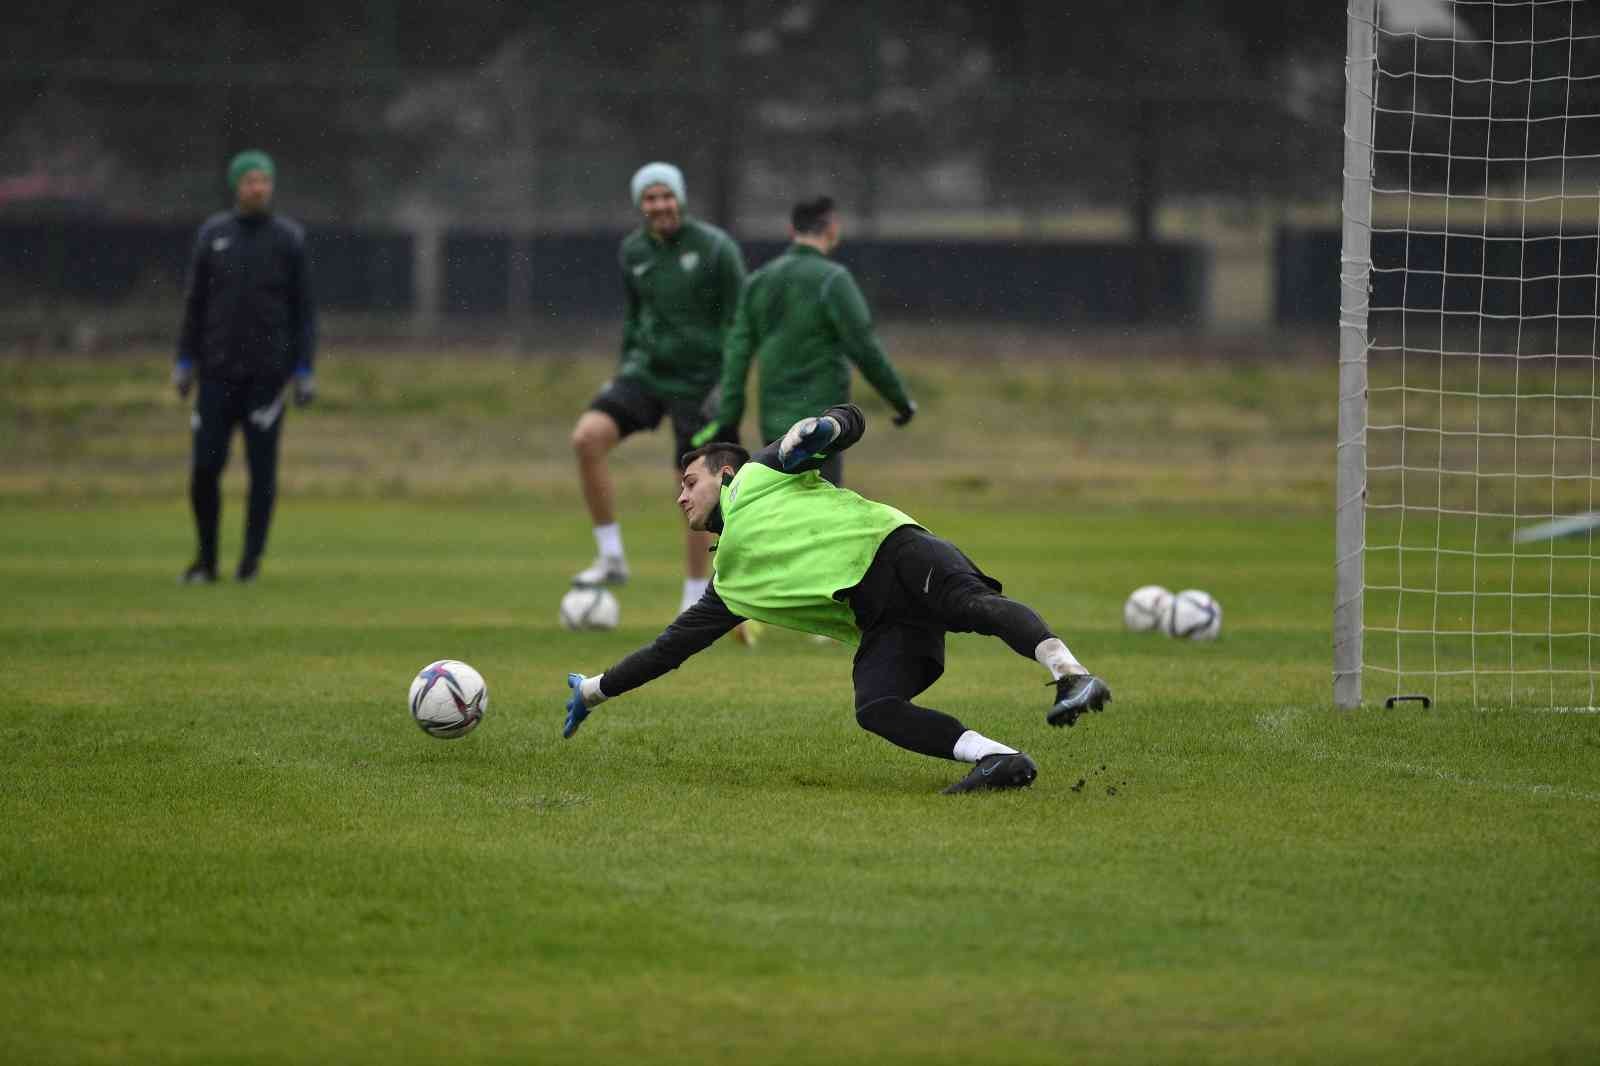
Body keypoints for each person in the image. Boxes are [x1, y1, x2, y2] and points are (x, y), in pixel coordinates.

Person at [561, 404, 1112, 794]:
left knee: (972, 606)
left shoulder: (756, 476)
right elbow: (667, 651)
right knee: (876, 707)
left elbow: (847, 421)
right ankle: (997, 758)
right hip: (881, 617)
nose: (680, 497)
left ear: (723, 473)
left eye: (688, 482)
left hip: (896, 551)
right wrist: (594, 690)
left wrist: (826, 426)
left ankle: (1071, 673)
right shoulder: (727, 586)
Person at [569, 161, 749, 621]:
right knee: (587, 437)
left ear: (681, 199)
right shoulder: (633, 251)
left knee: (696, 488)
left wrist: (729, 387)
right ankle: (611, 555)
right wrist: (625, 366)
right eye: (650, 198)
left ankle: (695, 597)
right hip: (647, 374)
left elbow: (743, 323)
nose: (660, 205)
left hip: (702, 385)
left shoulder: (716, 249)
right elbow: (635, 316)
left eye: (666, 196)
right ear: (640, 205)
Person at [698, 195, 915, 487]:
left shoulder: (759, 281)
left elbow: (738, 356)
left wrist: (728, 419)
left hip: (773, 426)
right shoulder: (833, 280)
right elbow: (865, 349)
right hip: (821, 425)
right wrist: (900, 401)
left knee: (782, 510)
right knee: (820, 515)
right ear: (832, 228)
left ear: (792, 230)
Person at [173, 149, 316, 584]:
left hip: (267, 380)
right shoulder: (213, 234)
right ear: (237, 185)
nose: (258, 187)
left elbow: (304, 312)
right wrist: (184, 361)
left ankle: (250, 564)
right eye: (251, 180)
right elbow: (195, 304)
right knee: (204, 471)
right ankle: (206, 560)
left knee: (261, 474)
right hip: (216, 375)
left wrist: (304, 370)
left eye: (265, 181)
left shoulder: (289, 238)